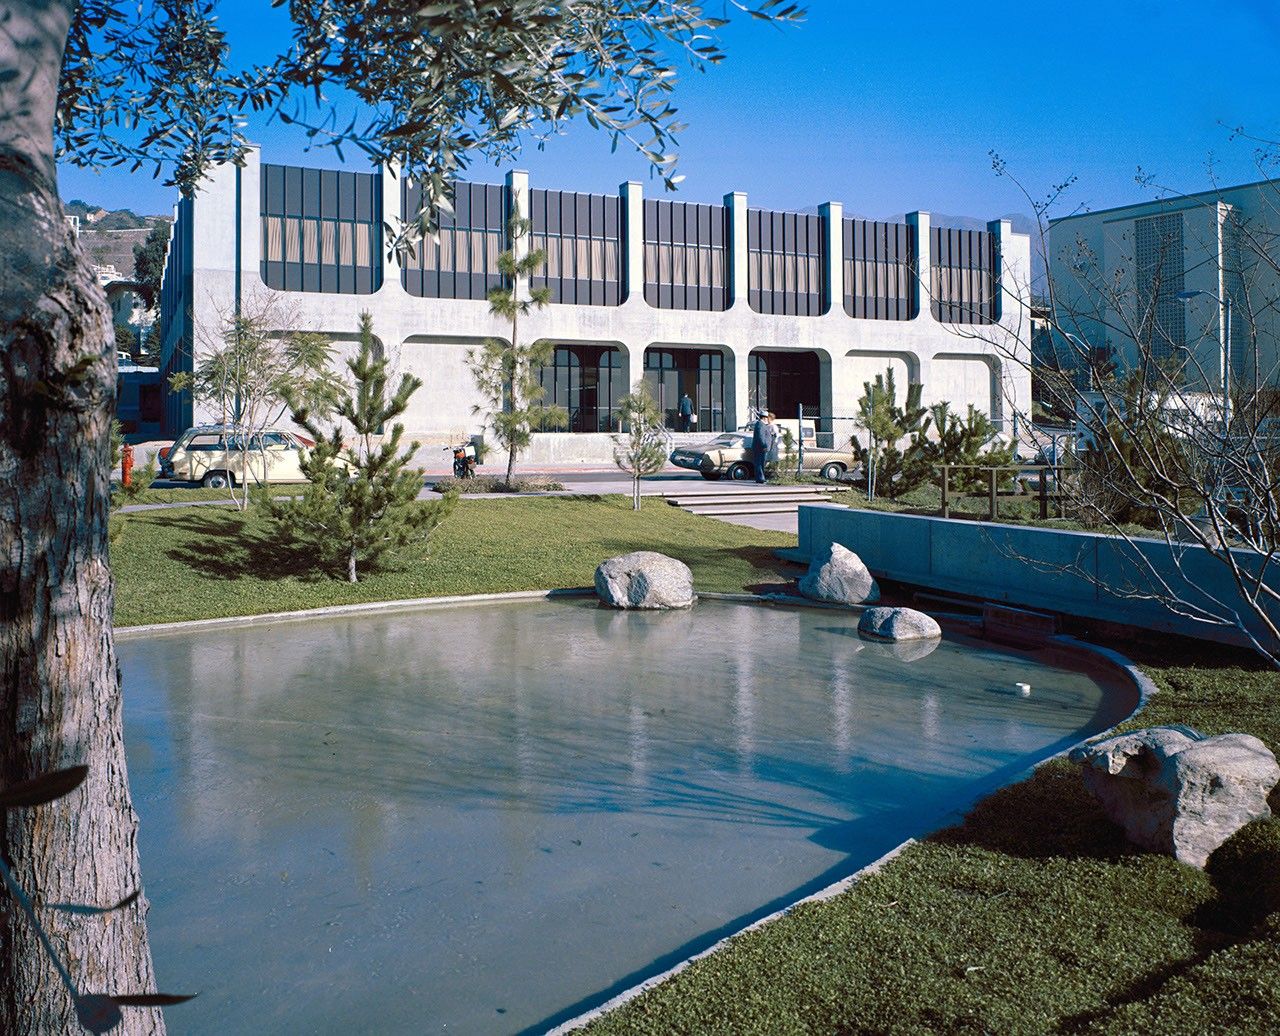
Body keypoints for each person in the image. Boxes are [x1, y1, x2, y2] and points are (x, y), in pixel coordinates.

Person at [751, 411, 777, 484]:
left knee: (760, 463)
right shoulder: (761, 425)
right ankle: (760, 478)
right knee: (759, 463)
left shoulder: (760, 424)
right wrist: (765, 445)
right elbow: (761, 437)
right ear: (765, 418)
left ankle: (761, 478)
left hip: (760, 447)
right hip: (760, 448)